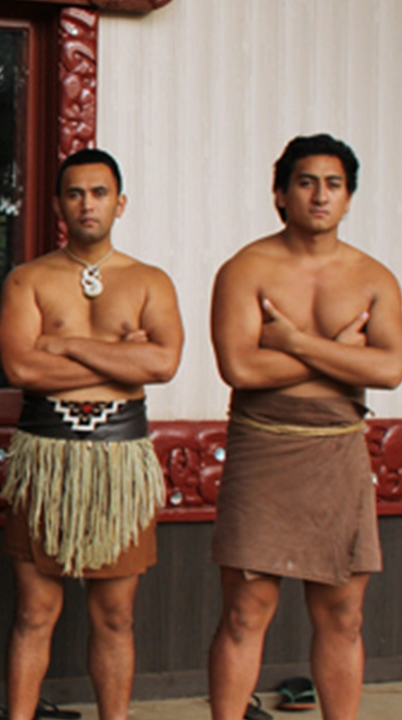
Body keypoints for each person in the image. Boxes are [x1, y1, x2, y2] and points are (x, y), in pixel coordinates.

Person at [207, 134, 402, 720]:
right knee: (245, 613)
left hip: (337, 449)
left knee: (344, 615)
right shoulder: (246, 268)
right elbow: (239, 366)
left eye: (334, 184)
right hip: (263, 446)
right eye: (306, 182)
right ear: (281, 193)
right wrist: (339, 352)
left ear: (348, 199)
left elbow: (390, 369)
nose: (320, 195)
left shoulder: (374, 278)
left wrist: (292, 342)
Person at [0, 148, 182, 720]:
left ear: (119, 202)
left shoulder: (150, 280)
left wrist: (68, 343)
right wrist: (120, 358)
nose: (87, 203)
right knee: (34, 613)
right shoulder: (29, 278)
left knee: (116, 616)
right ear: (58, 205)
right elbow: (23, 369)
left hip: (119, 460)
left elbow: (163, 364)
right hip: (44, 454)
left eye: (99, 193)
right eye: (75, 193)